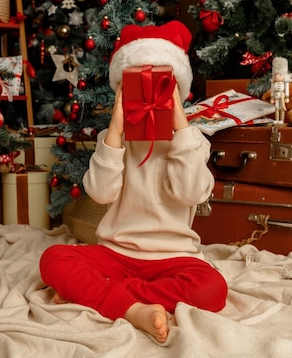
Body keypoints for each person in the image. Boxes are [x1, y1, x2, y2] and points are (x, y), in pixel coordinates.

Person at [39, 21, 228, 344]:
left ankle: (107, 296)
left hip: (174, 256)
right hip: (116, 254)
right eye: (139, 82)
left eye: (161, 82)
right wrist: (115, 129)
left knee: (213, 289)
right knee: (53, 259)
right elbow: (100, 194)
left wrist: (179, 123)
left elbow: (191, 192)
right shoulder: (112, 140)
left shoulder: (191, 140)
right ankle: (132, 309)